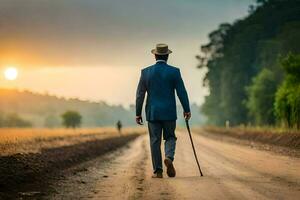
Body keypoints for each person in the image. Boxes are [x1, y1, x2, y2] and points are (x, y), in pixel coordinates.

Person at [135, 43, 191, 178]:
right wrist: (186, 109)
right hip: (169, 112)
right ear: (167, 56)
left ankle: (158, 171)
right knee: (170, 137)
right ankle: (169, 157)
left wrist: (138, 113)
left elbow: (140, 94)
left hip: (153, 113)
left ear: (155, 55)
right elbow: (181, 92)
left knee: (155, 141)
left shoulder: (145, 72)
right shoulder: (174, 72)